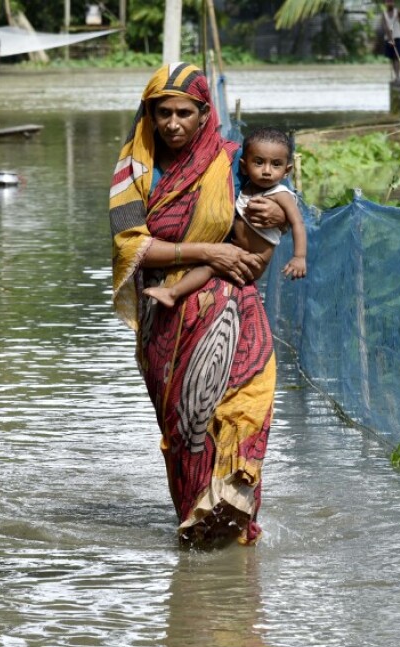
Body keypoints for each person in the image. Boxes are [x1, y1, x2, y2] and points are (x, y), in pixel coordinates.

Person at [110, 62, 288, 548]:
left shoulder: (233, 162)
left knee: (243, 407)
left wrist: (276, 209)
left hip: (235, 311)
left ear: (204, 113)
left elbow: (267, 222)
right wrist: (207, 250)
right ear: (148, 114)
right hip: (166, 319)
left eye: (183, 113)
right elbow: (132, 246)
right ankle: (194, 527)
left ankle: (238, 537)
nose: (172, 124)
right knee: (187, 432)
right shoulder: (133, 171)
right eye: (162, 113)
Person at [143, 126, 307, 309]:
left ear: (287, 170)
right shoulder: (244, 186)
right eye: (259, 163)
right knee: (208, 267)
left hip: (252, 261)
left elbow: (298, 223)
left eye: (276, 164)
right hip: (232, 252)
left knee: (209, 268)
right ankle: (173, 294)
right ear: (244, 167)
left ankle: (173, 293)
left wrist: (299, 256)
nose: (267, 171)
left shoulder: (281, 194)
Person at [379, 0, 400, 85]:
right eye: (388, 2)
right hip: (388, 39)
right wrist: (390, 39)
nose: (390, 3)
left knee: (397, 57)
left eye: (391, 1)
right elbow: (385, 27)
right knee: (392, 58)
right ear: (385, 3)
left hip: (397, 37)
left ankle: (398, 77)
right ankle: (396, 77)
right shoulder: (384, 14)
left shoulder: (397, 12)